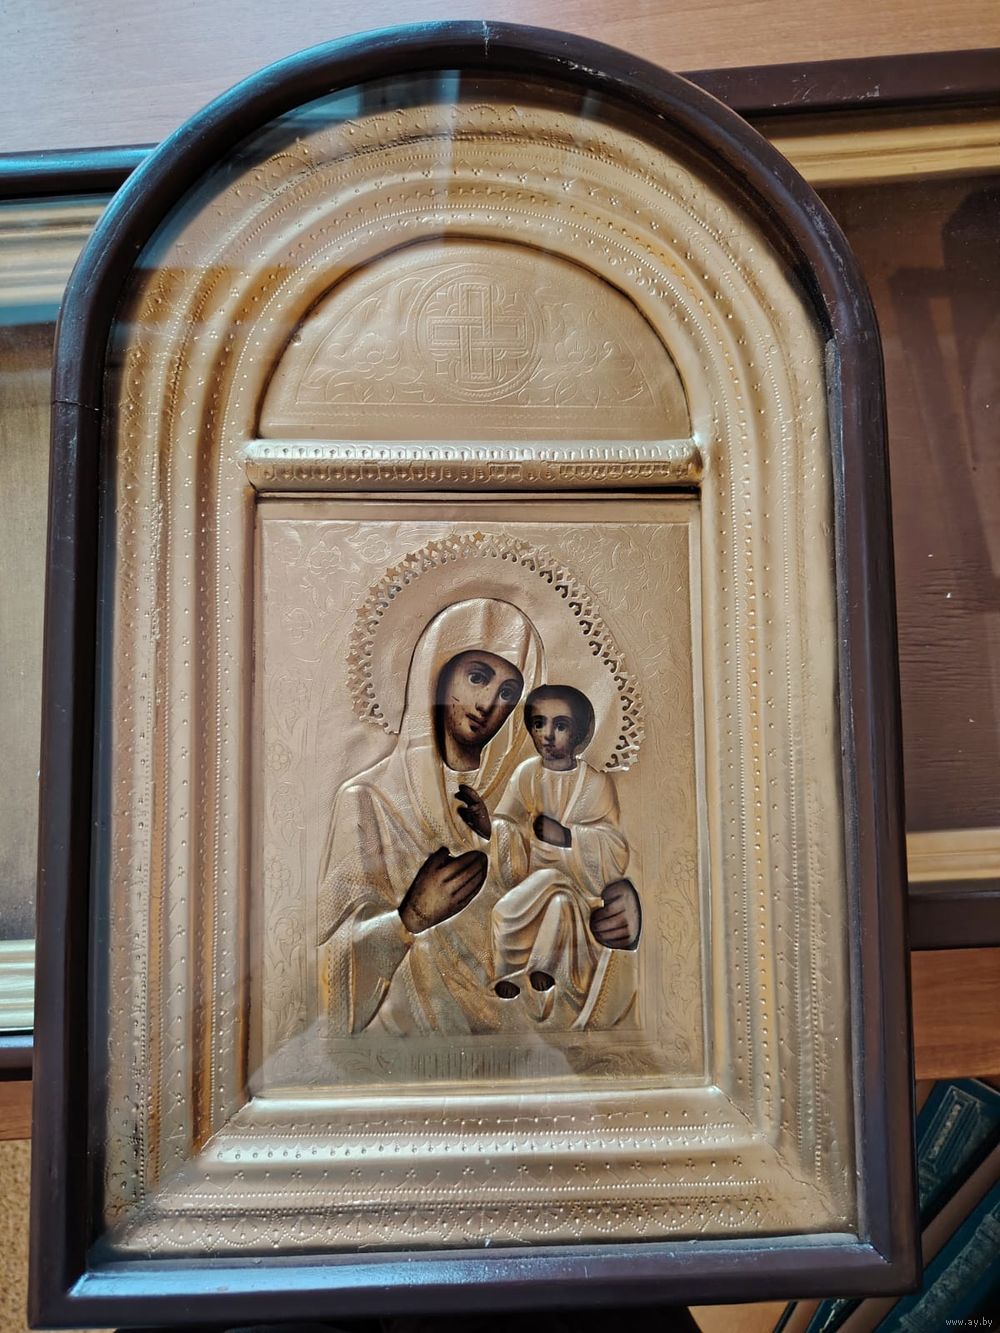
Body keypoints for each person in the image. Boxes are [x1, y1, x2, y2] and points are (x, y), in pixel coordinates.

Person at [316, 597, 543, 1035]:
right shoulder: (368, 800)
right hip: (402, 1044)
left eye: (508, 693)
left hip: (511, 1039)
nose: (488, 703)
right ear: (436, 674)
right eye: (477, 677)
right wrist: (411, 918)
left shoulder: (517, 805)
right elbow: (325, 978)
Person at [459, 684, 642, 1028]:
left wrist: (567, 838)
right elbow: (507, 828)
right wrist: (488, 827)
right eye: (538, 723)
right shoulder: (526, 775)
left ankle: (544, 970)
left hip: (579, 888)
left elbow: (615, 847)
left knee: (554, 900)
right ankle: (513, 975)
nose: (547, 734)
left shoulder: (595, 784)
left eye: (560, 725)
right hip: (534, 884)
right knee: (518, 909)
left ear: (580, 733)